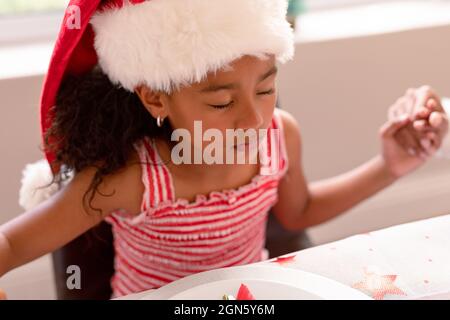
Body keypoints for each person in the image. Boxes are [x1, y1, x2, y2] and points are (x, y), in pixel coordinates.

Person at [0, 0, 447, 299]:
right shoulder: (132, 177)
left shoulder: (279, 135)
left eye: (267, 88)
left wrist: (388, 167)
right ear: (155, 97)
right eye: (221, 102)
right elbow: (11, 245)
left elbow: (299, 211)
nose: (254, 119)